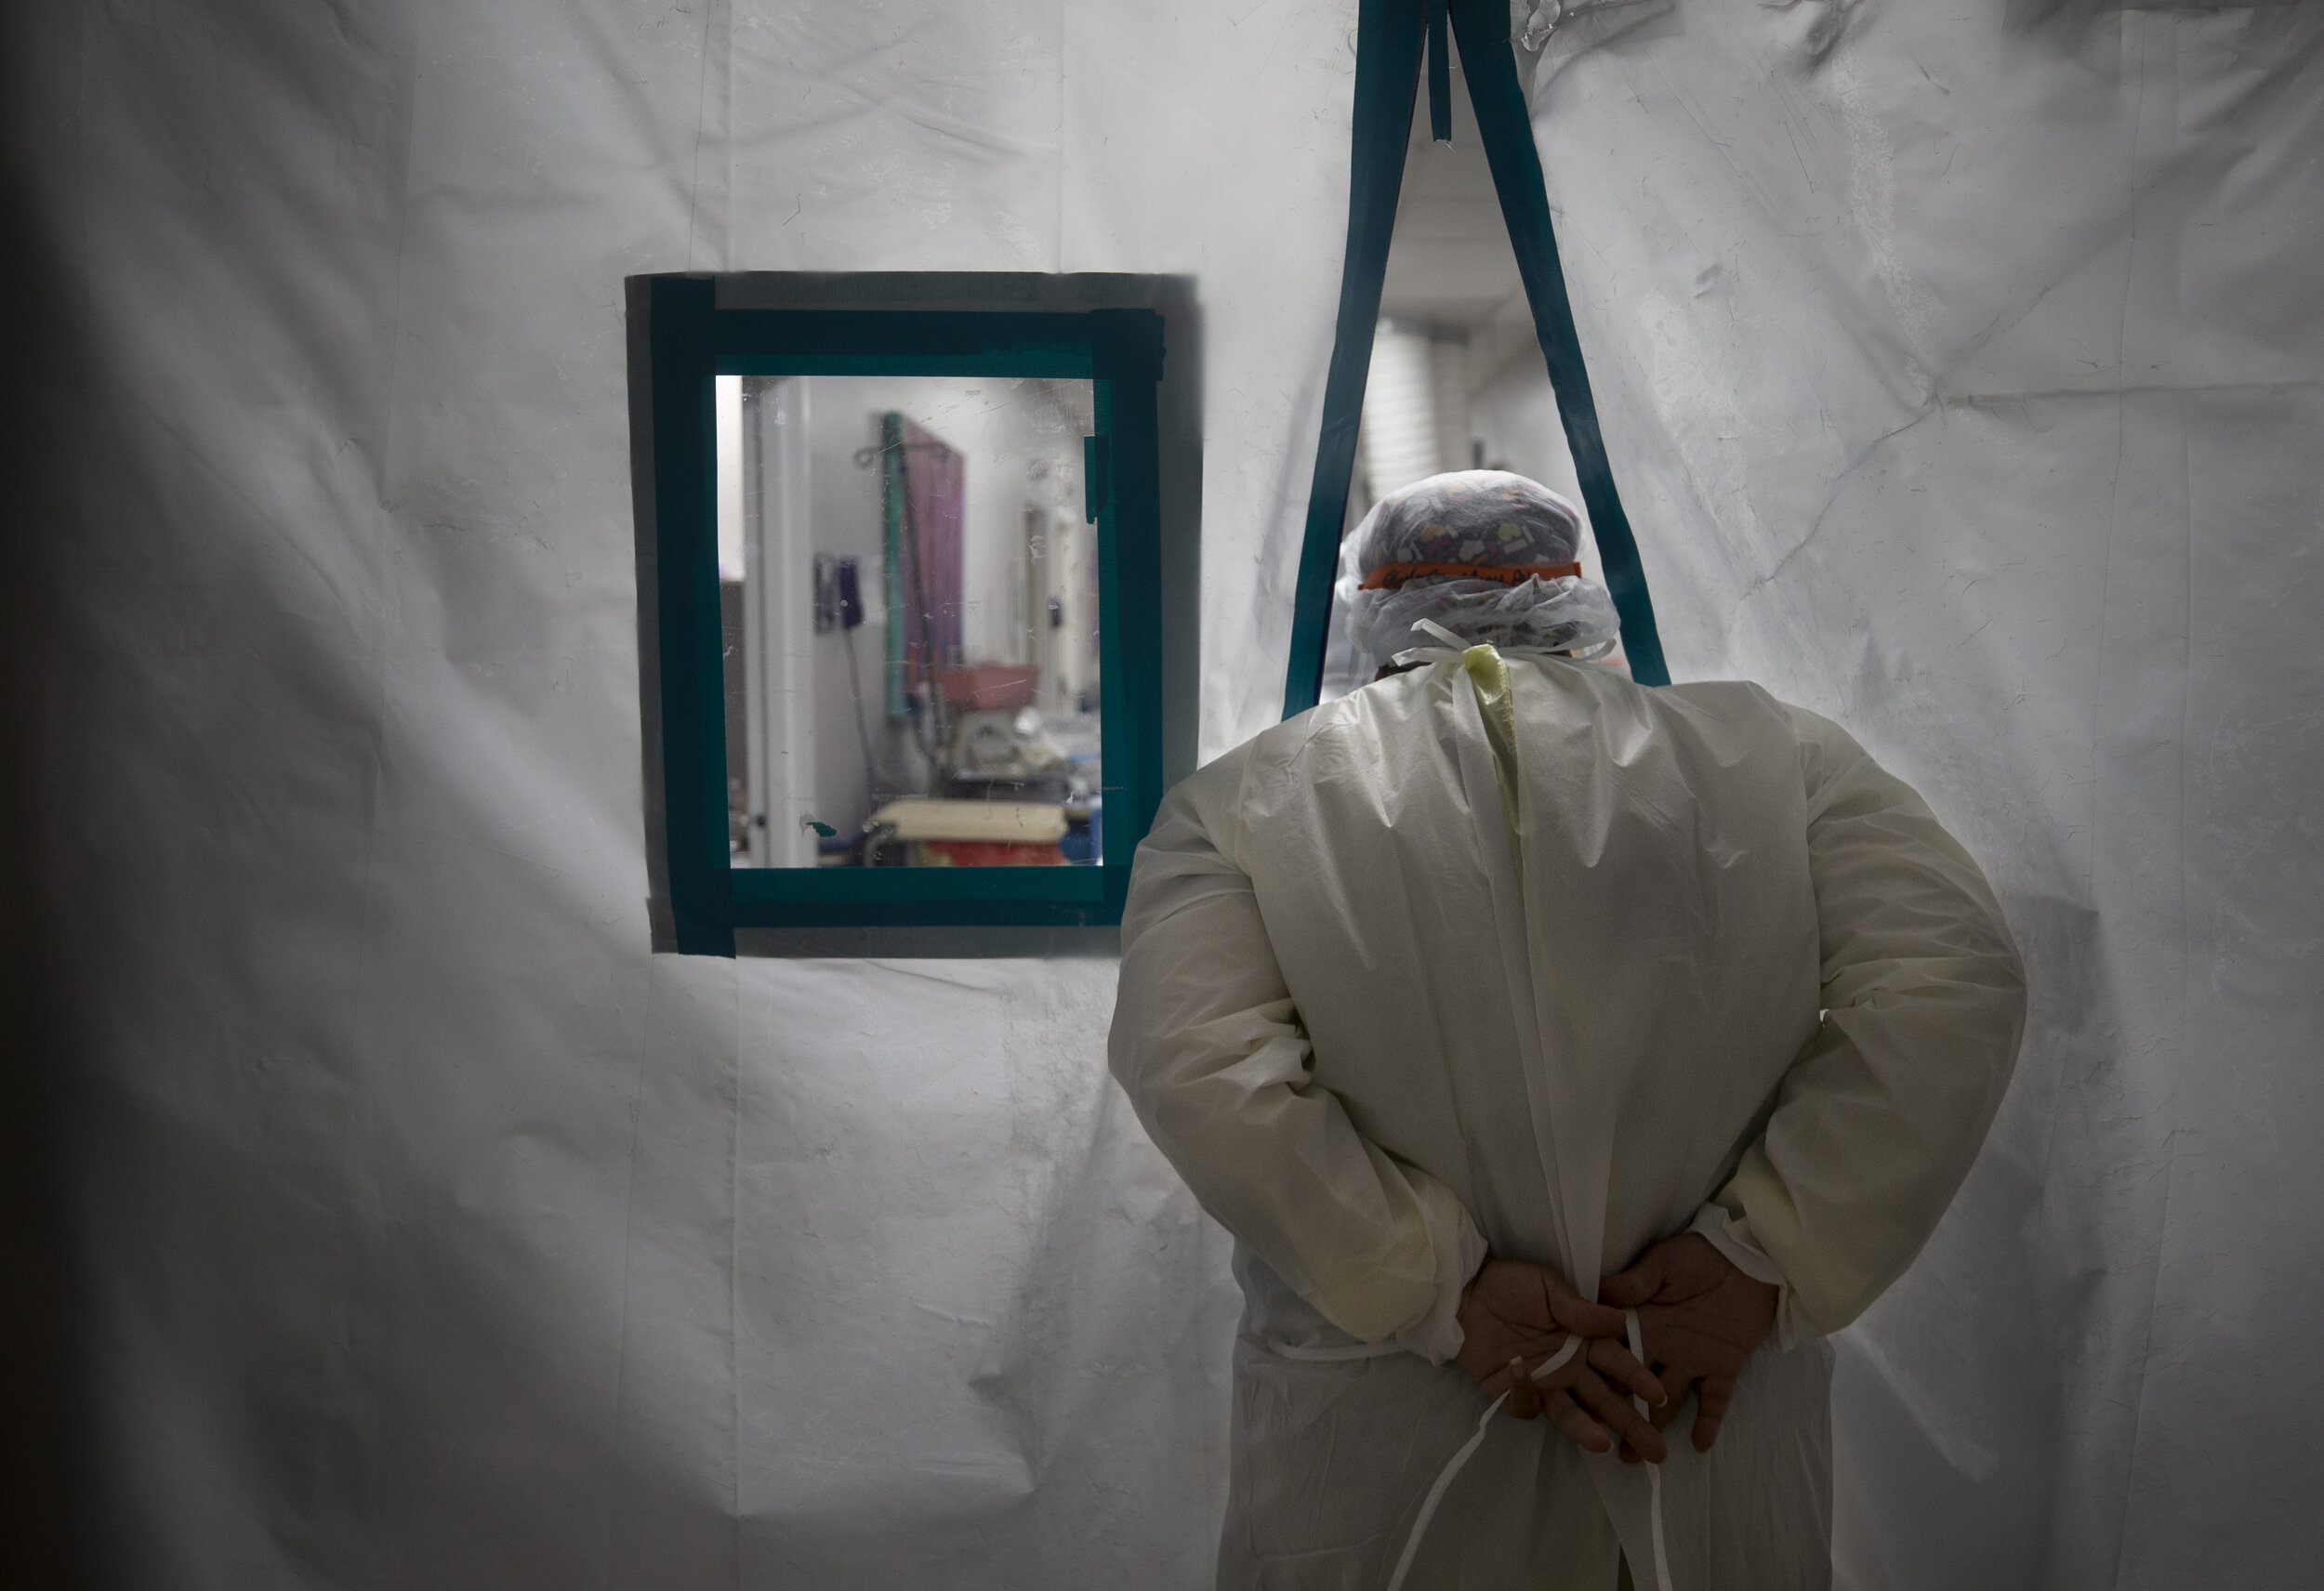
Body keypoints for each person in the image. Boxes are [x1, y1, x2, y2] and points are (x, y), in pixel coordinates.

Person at [1109, 471, 2027, 1591]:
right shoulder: (1781, 760)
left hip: (1393, 1427)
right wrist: (1763, 1256)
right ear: (1575, 590)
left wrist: (1439, 1289)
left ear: (1377, 603)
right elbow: (1950, 975)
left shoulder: (1240, 803)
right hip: (1691, 1405)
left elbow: (1198, 1066)